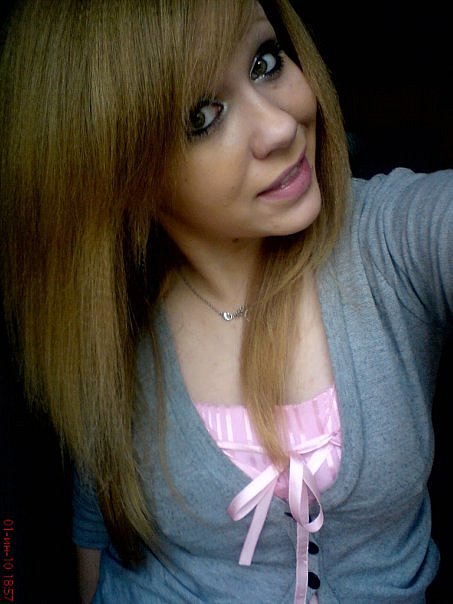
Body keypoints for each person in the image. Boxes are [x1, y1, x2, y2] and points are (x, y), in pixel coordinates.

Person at [0, 1, 451, 602]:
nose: (281, 128)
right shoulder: (110, 326)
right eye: (202, 116)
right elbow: (100, 526)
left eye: (265, 62)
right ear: (117, 172)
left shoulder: (389, 240)